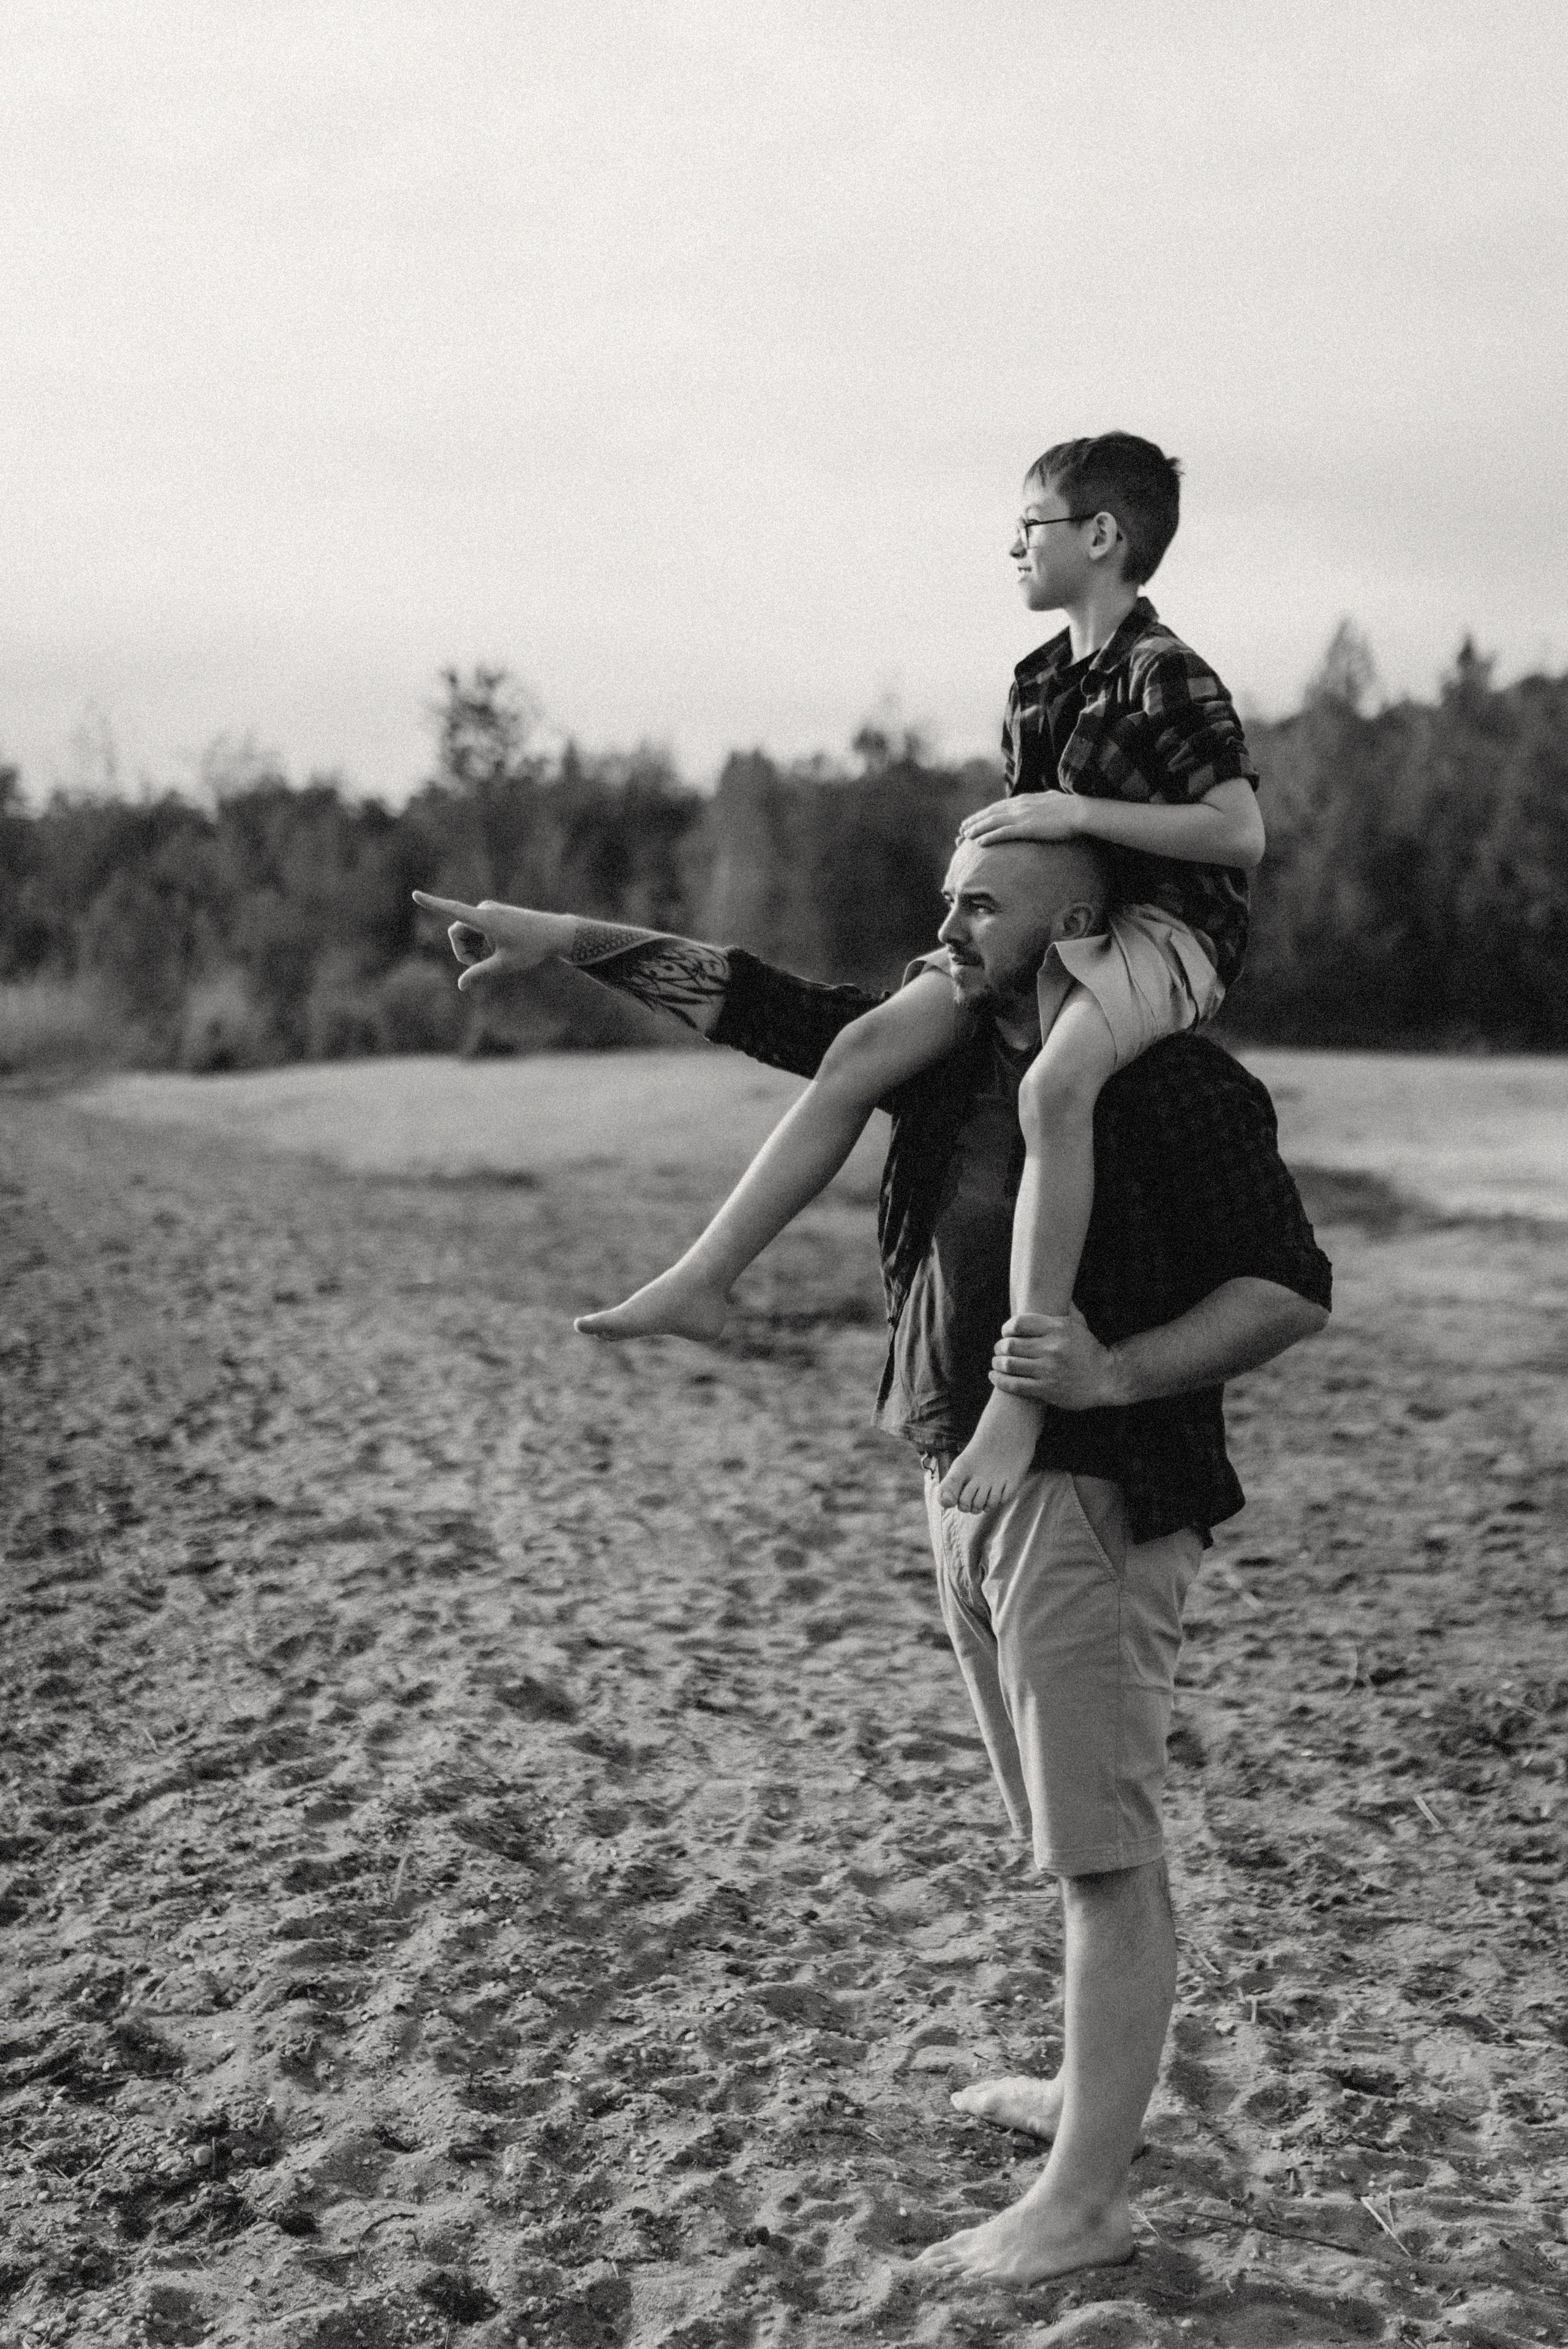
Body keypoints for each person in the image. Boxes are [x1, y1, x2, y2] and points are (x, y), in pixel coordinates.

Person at [411, 840, 1332, 2287]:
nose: (945, 925)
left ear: (1077, 925)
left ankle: (1085, 2197)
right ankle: (1090, 2104)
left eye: (981, 904)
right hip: (957, 1481)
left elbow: (1285, 1288)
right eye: (948, 897)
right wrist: (565, 935)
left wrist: (1112, 1374)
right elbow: (762, 1006)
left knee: (1102, 1856)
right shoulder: (951, 1049)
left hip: (1089, 1495)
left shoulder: (1176, 1087)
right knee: (1059, 1830)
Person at [559, 434, 1265, 1519]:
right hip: (1053, 928)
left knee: (1052, 1087)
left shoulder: (1165, 672)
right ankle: (705, 1278)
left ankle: (1020, 1397)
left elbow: (1238, 834)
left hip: (1164, 930)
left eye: (1031, 526)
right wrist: (977, 922)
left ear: (1103, 537)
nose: (1015, 546)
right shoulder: (1037, 680)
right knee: (859, 1049)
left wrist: (1077, 812)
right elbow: (1022, 867)